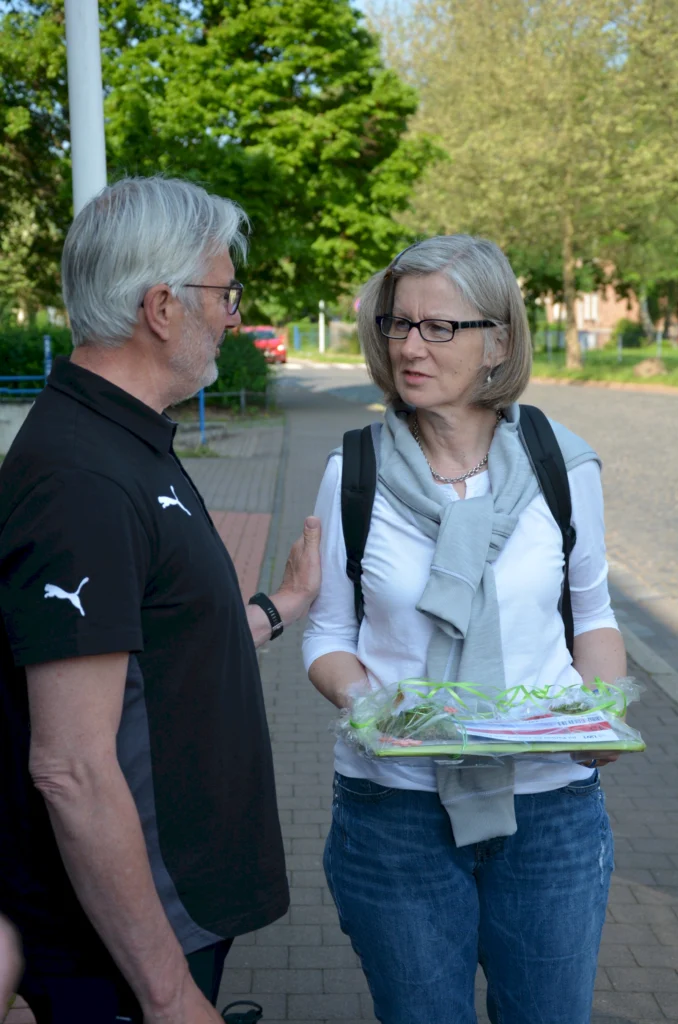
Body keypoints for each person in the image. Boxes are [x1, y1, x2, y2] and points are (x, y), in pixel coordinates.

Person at [0, 176, 321, 1024]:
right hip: (131, 949)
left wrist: (283, 603)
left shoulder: (120, 438)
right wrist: (170, 997)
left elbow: (158, 642)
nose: (231, 313)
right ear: (161, 307)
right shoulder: (82, 477)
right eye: (224, 293)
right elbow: (69, 767)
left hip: (177, 908)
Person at [303, 234, 626, 1024]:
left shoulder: (562, 464)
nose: (410, 346)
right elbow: (325, 637)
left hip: (549, 809)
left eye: (439, 327)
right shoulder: (353, 471)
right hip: (397, 812)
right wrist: (372, 709)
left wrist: (603, 710)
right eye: (396, 324)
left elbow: (594, 616)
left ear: (499, 341)